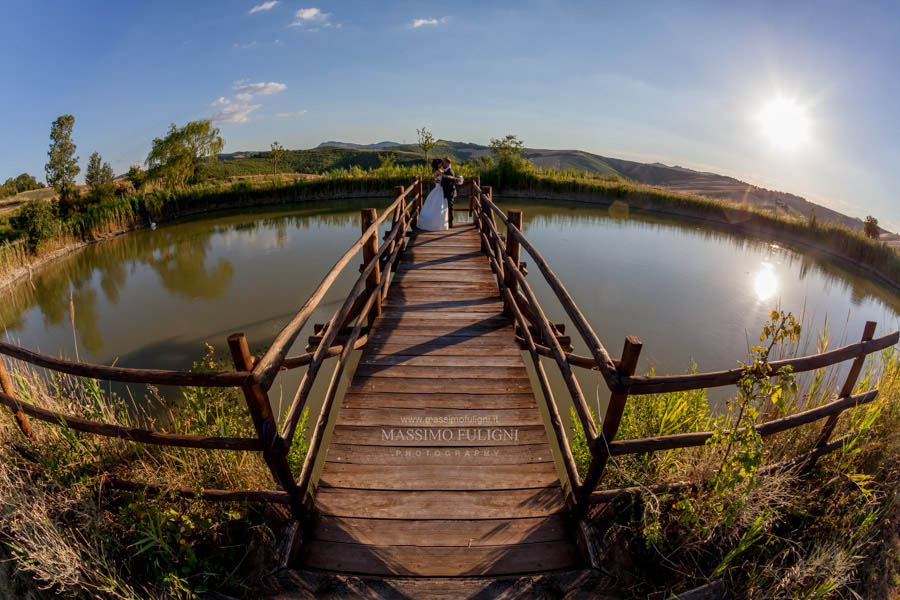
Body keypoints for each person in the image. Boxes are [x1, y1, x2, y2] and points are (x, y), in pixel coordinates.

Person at [416, 158, 450, 231]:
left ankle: (439, 224)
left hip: (440, 189)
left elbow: (437, 179)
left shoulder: (438, 170)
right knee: (438, 206)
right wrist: (454, 178)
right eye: (441, 163)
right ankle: (437, 225)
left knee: (440, 207)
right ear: (438, 164)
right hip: (439, 189)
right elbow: (444, 177)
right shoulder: (437, 171)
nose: (442, 164)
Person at [440, 157, 457, 228]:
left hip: (450, 191)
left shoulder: (450, 171)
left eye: (443, 162)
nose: (442, 164)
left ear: (447, 163)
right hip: (446, 191)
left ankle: (451, 223)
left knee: (450, 206)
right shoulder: (445, 171)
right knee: (447, 206)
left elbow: (451, 182)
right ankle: (447, 221)